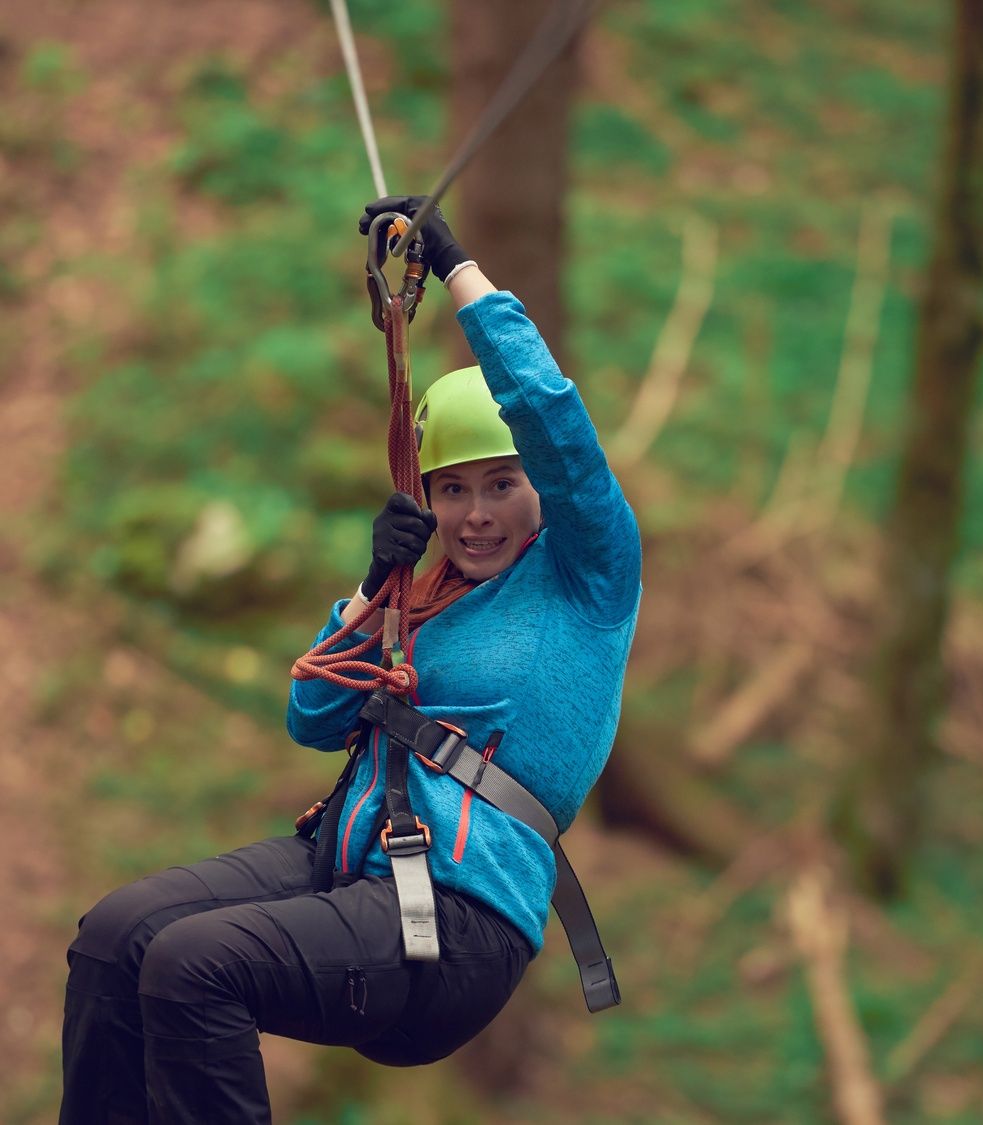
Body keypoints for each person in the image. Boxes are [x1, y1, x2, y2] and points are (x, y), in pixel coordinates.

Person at [59, 196, 642, 1124]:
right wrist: (377, 588)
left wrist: (460, 275)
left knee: (190, 968)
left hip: (456, 919)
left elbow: (556, 422)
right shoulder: (423, 594)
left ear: (539, 487)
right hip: (344, 865)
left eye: (501, 483)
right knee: (115, 937)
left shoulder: (590, 578)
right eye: (452, 490)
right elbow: (313, 719)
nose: (477, 512)